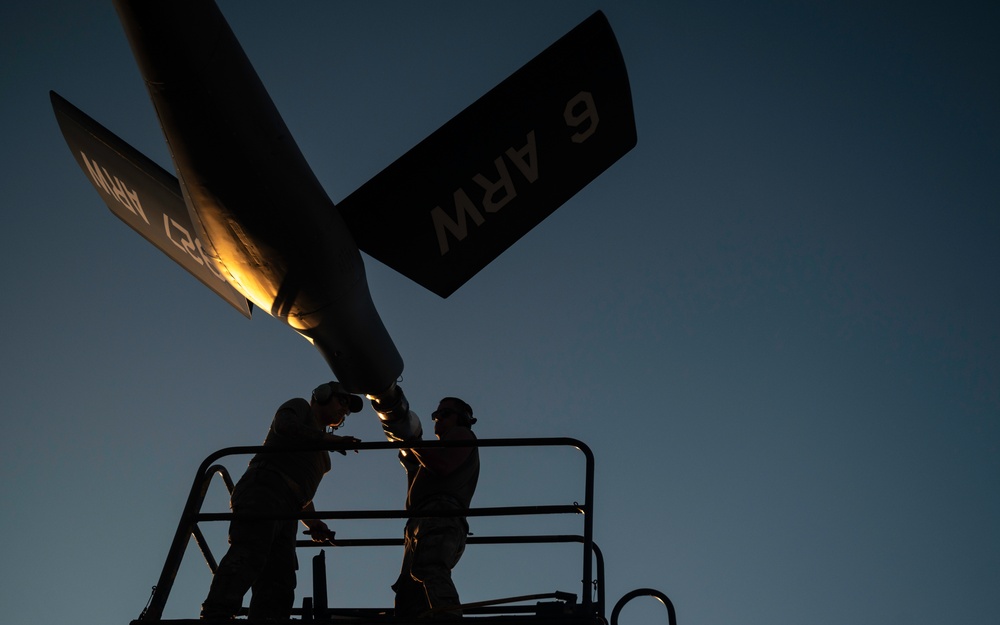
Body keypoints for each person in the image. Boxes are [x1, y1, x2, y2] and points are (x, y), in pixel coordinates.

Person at [200, 381, 363, 621]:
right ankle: (217, 614)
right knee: (250, 551)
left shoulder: (323, 457)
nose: (345, 410)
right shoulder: (300, 408)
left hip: (289, 509)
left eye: (349, 408)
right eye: (342, 401)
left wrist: (314, 523)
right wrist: (330, 440)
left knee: (280, 578)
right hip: (264, 489)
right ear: (322, 395)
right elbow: (284, 427)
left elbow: (300, 493)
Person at [371, 386, 480, 618]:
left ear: (463, 419)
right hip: (420, 521)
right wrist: (411, 453)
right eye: (436, 415)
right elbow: (414, 491)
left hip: (440, 515)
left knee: (430, 569)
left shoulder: (462, 435)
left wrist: (413, 442)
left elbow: (443, 466)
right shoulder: (436, 450)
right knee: (409, 589)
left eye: (445, 414)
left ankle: (448, 617)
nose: (438, 419)